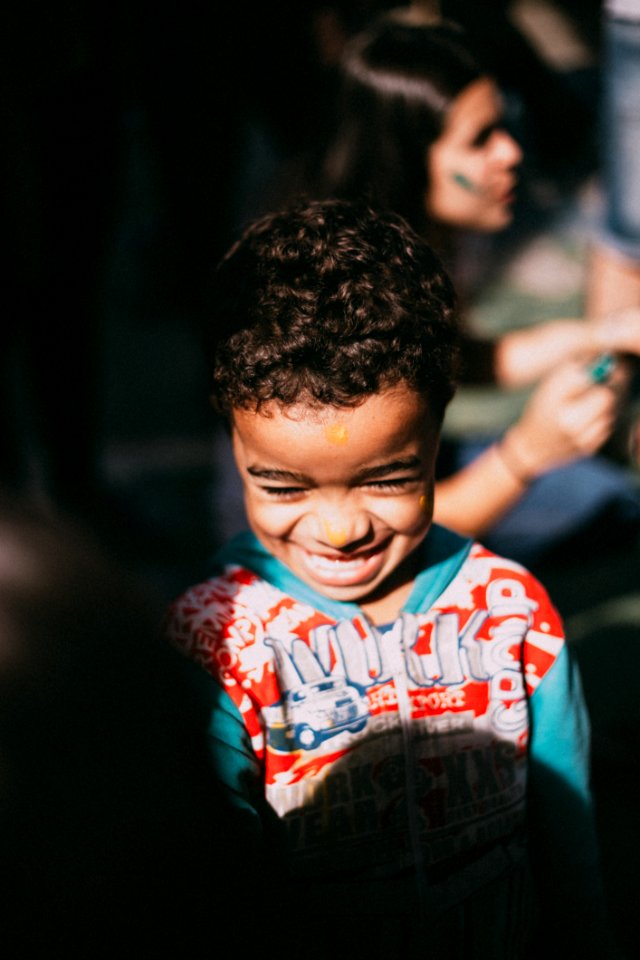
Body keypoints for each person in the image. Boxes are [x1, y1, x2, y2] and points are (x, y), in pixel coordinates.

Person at [165, 199, 612, 957]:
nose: (341, 529)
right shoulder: (214, 647)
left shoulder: (512, 615)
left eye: (388, 478)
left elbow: (567, 848)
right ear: (232, 447)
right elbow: (207, 893)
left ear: (440, 435)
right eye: (283, 487)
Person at [313, 14, 640, 561]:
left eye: (504, 126)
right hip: (327, 560)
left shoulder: (404, 245)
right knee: (615, 509)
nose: (511, 153)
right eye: (481, 139)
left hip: (416, 479)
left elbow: (458, 358)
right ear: (410, 160)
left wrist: (600, 333)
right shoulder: (351, 306)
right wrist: (528, 452)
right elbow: (372, 527)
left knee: (611, 504)